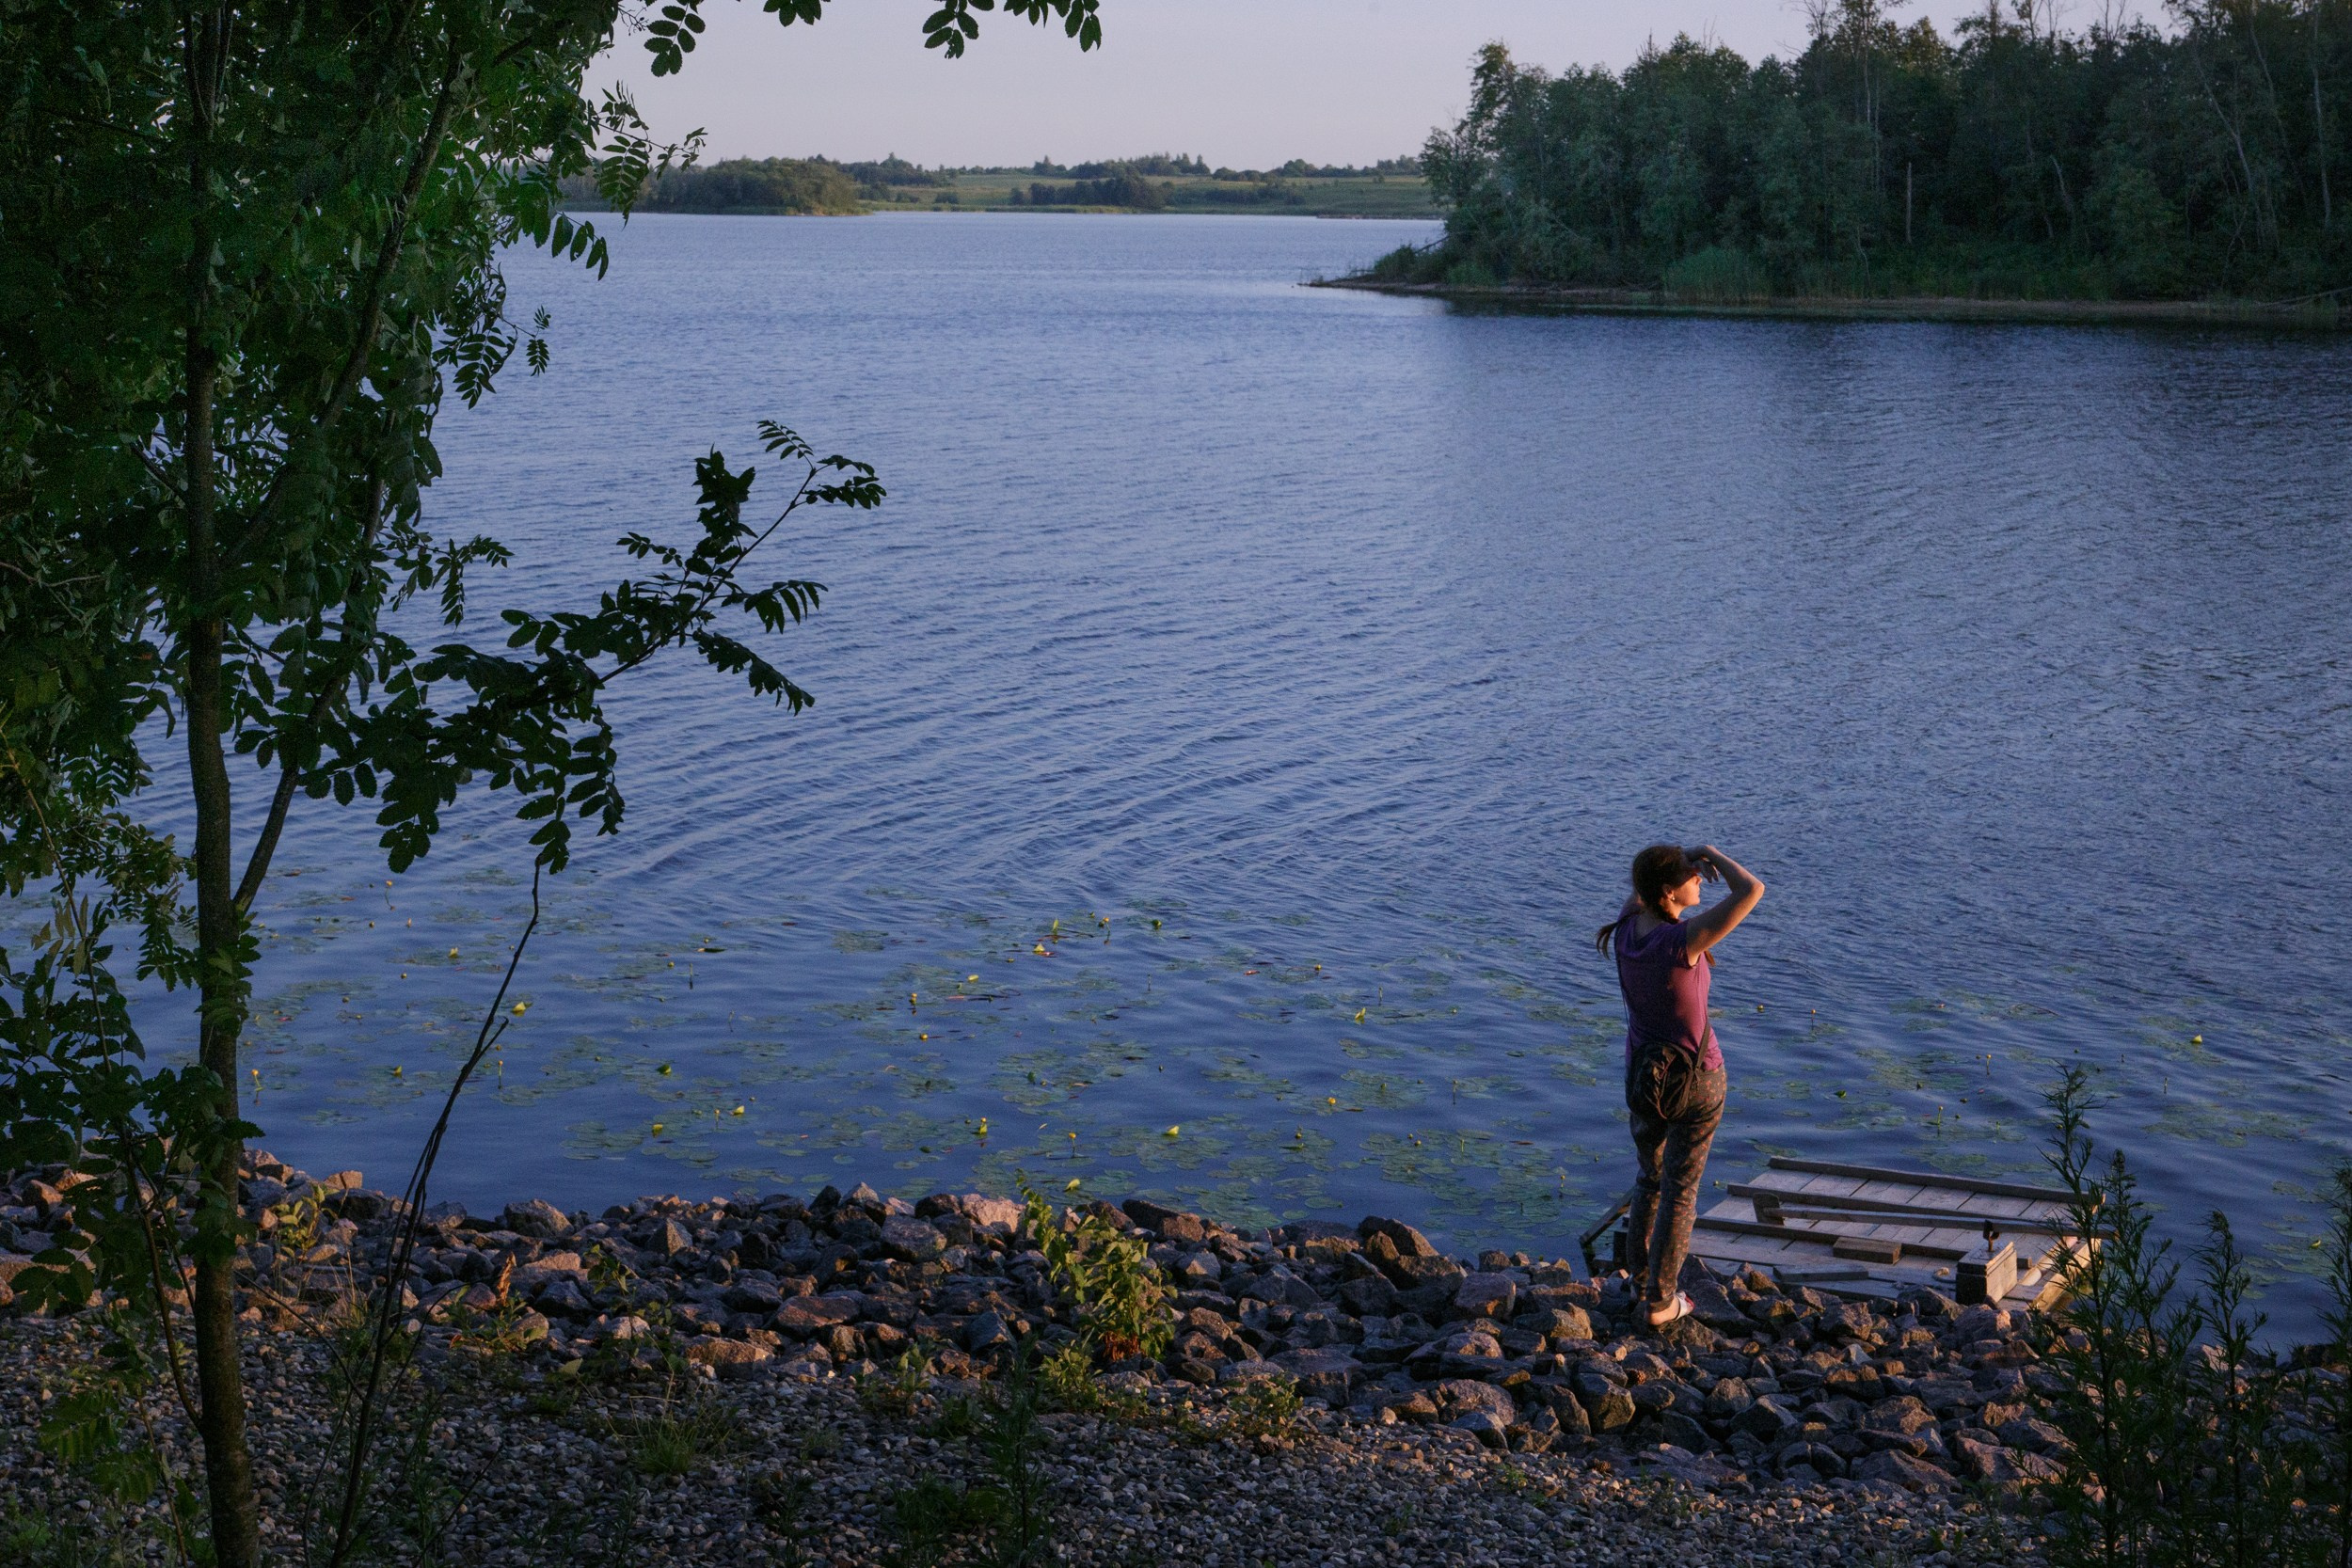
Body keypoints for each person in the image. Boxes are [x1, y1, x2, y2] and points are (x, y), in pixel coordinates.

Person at [1595, 843, 1765, 1328]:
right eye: (1690, 876)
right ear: (1668, 892)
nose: (1698, 879)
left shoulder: (1628, 930)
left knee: (1650, 1179)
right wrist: (1708, 851)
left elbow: (1642, 888)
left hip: (1642, 1078)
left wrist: (1681, 860)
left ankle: (1639, 1281)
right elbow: (1752, 889)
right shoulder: (1681, 943)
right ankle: (1660, 1302)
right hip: (1697, 1081)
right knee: (1680, 1192)